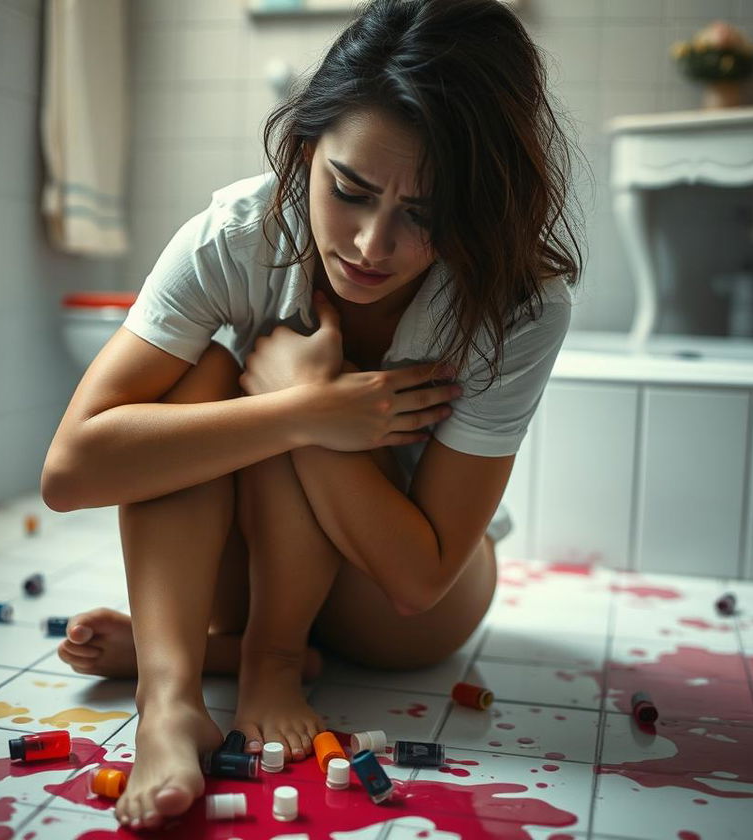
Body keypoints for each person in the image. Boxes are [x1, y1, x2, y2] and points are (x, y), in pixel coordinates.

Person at [40, 0, 583, 830]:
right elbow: (72, 470)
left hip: (401, 597)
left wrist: (307, 415)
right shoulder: (237, 233)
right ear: (304, 151)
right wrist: (302, 410)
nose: (372, 245)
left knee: (246, 387)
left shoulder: (519, 300)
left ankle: (272, 659)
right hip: (247, 571)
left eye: (424, 216)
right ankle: (173, 693)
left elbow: (419, 578)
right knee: (208, 375)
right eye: (351, 191)